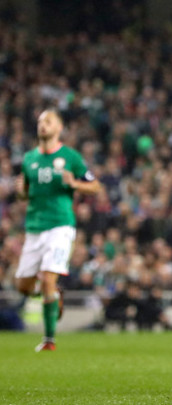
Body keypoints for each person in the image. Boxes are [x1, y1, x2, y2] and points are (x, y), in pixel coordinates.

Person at [14, 108, 102, 351]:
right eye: (41, 121)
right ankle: (55, 297)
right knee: (23, 286)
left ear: (59, 128)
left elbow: (95, 186)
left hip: (60, 225)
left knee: (48, 279)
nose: (43, 125)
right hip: (34, 227)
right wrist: (21, 190)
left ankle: (49, 340)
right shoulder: (29, 158)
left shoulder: (70, 157)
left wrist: (74, 183)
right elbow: (25, 193)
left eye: (49, 122)